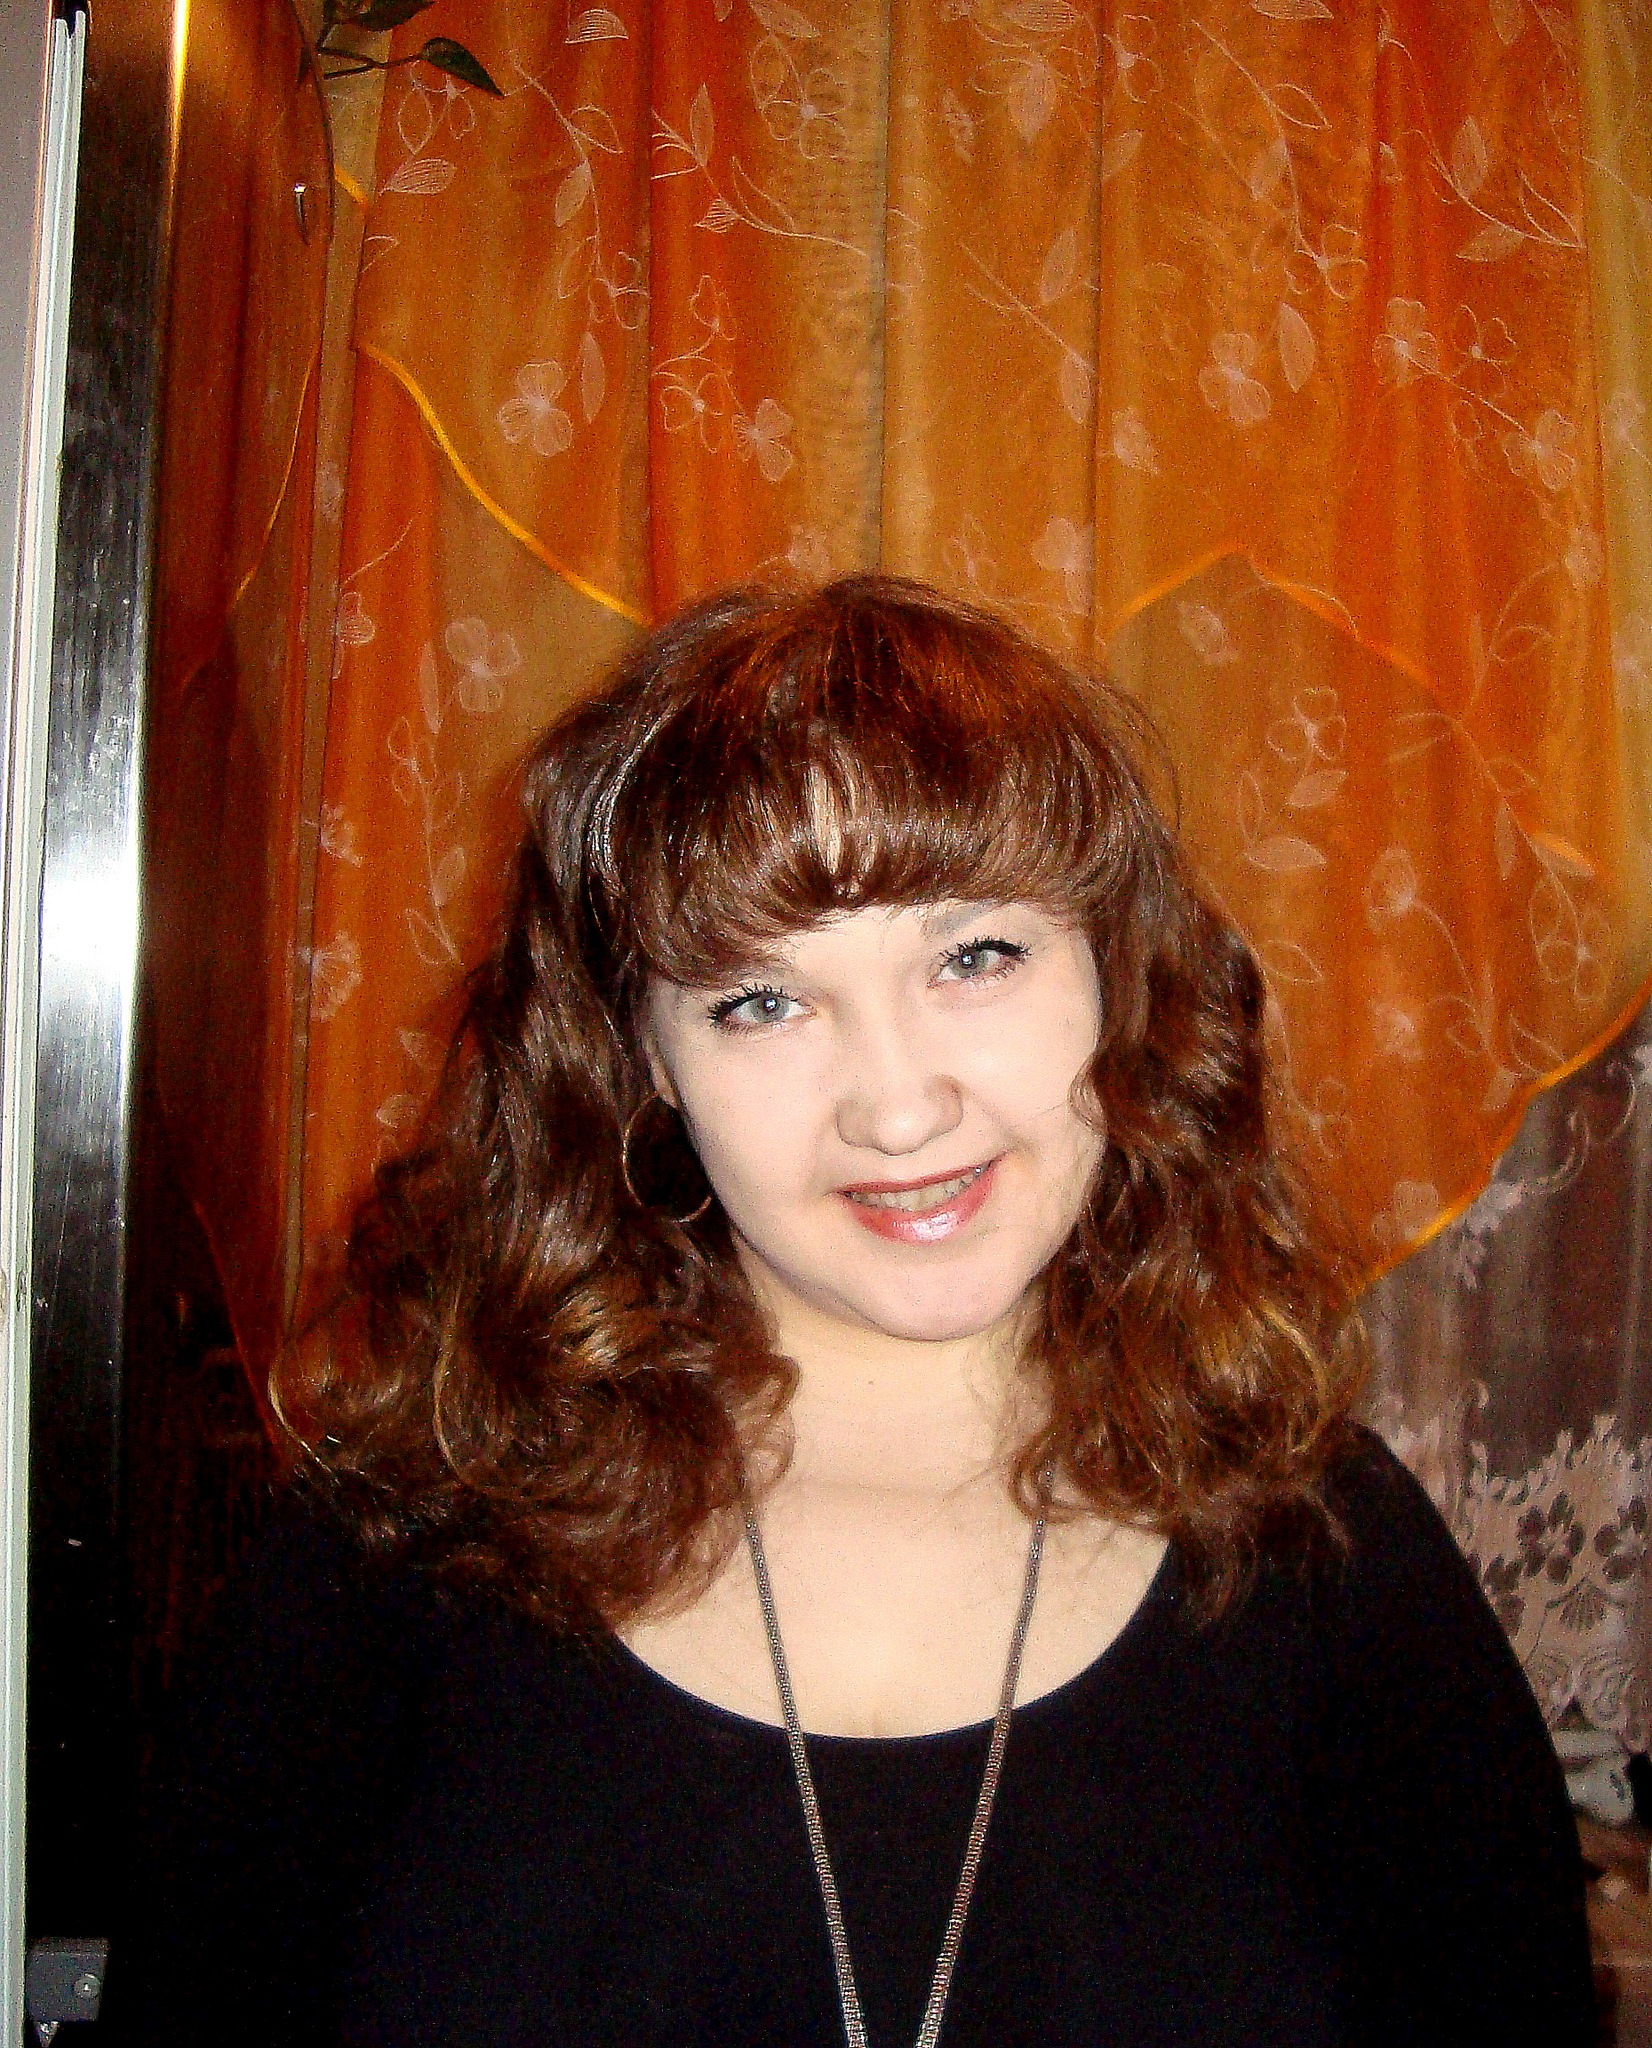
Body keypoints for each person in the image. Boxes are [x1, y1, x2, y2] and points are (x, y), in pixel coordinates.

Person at [111, 575, 1594, 2046]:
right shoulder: (390, 1559)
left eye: (974, 957)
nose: (897, 1108)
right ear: (644, 1063)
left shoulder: (1330, 1557)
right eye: (760, 1001)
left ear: (1114, 972)